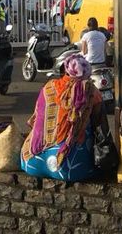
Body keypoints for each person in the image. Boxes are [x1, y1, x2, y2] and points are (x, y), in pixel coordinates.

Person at [20, 54, 105, 182]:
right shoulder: (90, 90)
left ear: (66, 70)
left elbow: (36, 117)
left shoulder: (48, 87)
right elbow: (99, 122)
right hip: (66, 166)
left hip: (30, 161)